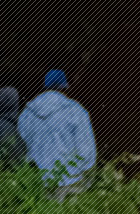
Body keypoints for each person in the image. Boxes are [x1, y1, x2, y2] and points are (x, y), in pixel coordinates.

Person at [19, 69, 96, 198]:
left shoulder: (27, 113)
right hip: (69, 184)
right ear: (64, 88)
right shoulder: (76, 111)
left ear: (45, 87)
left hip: (35, 182)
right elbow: (87, 152)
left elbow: (21, 147)